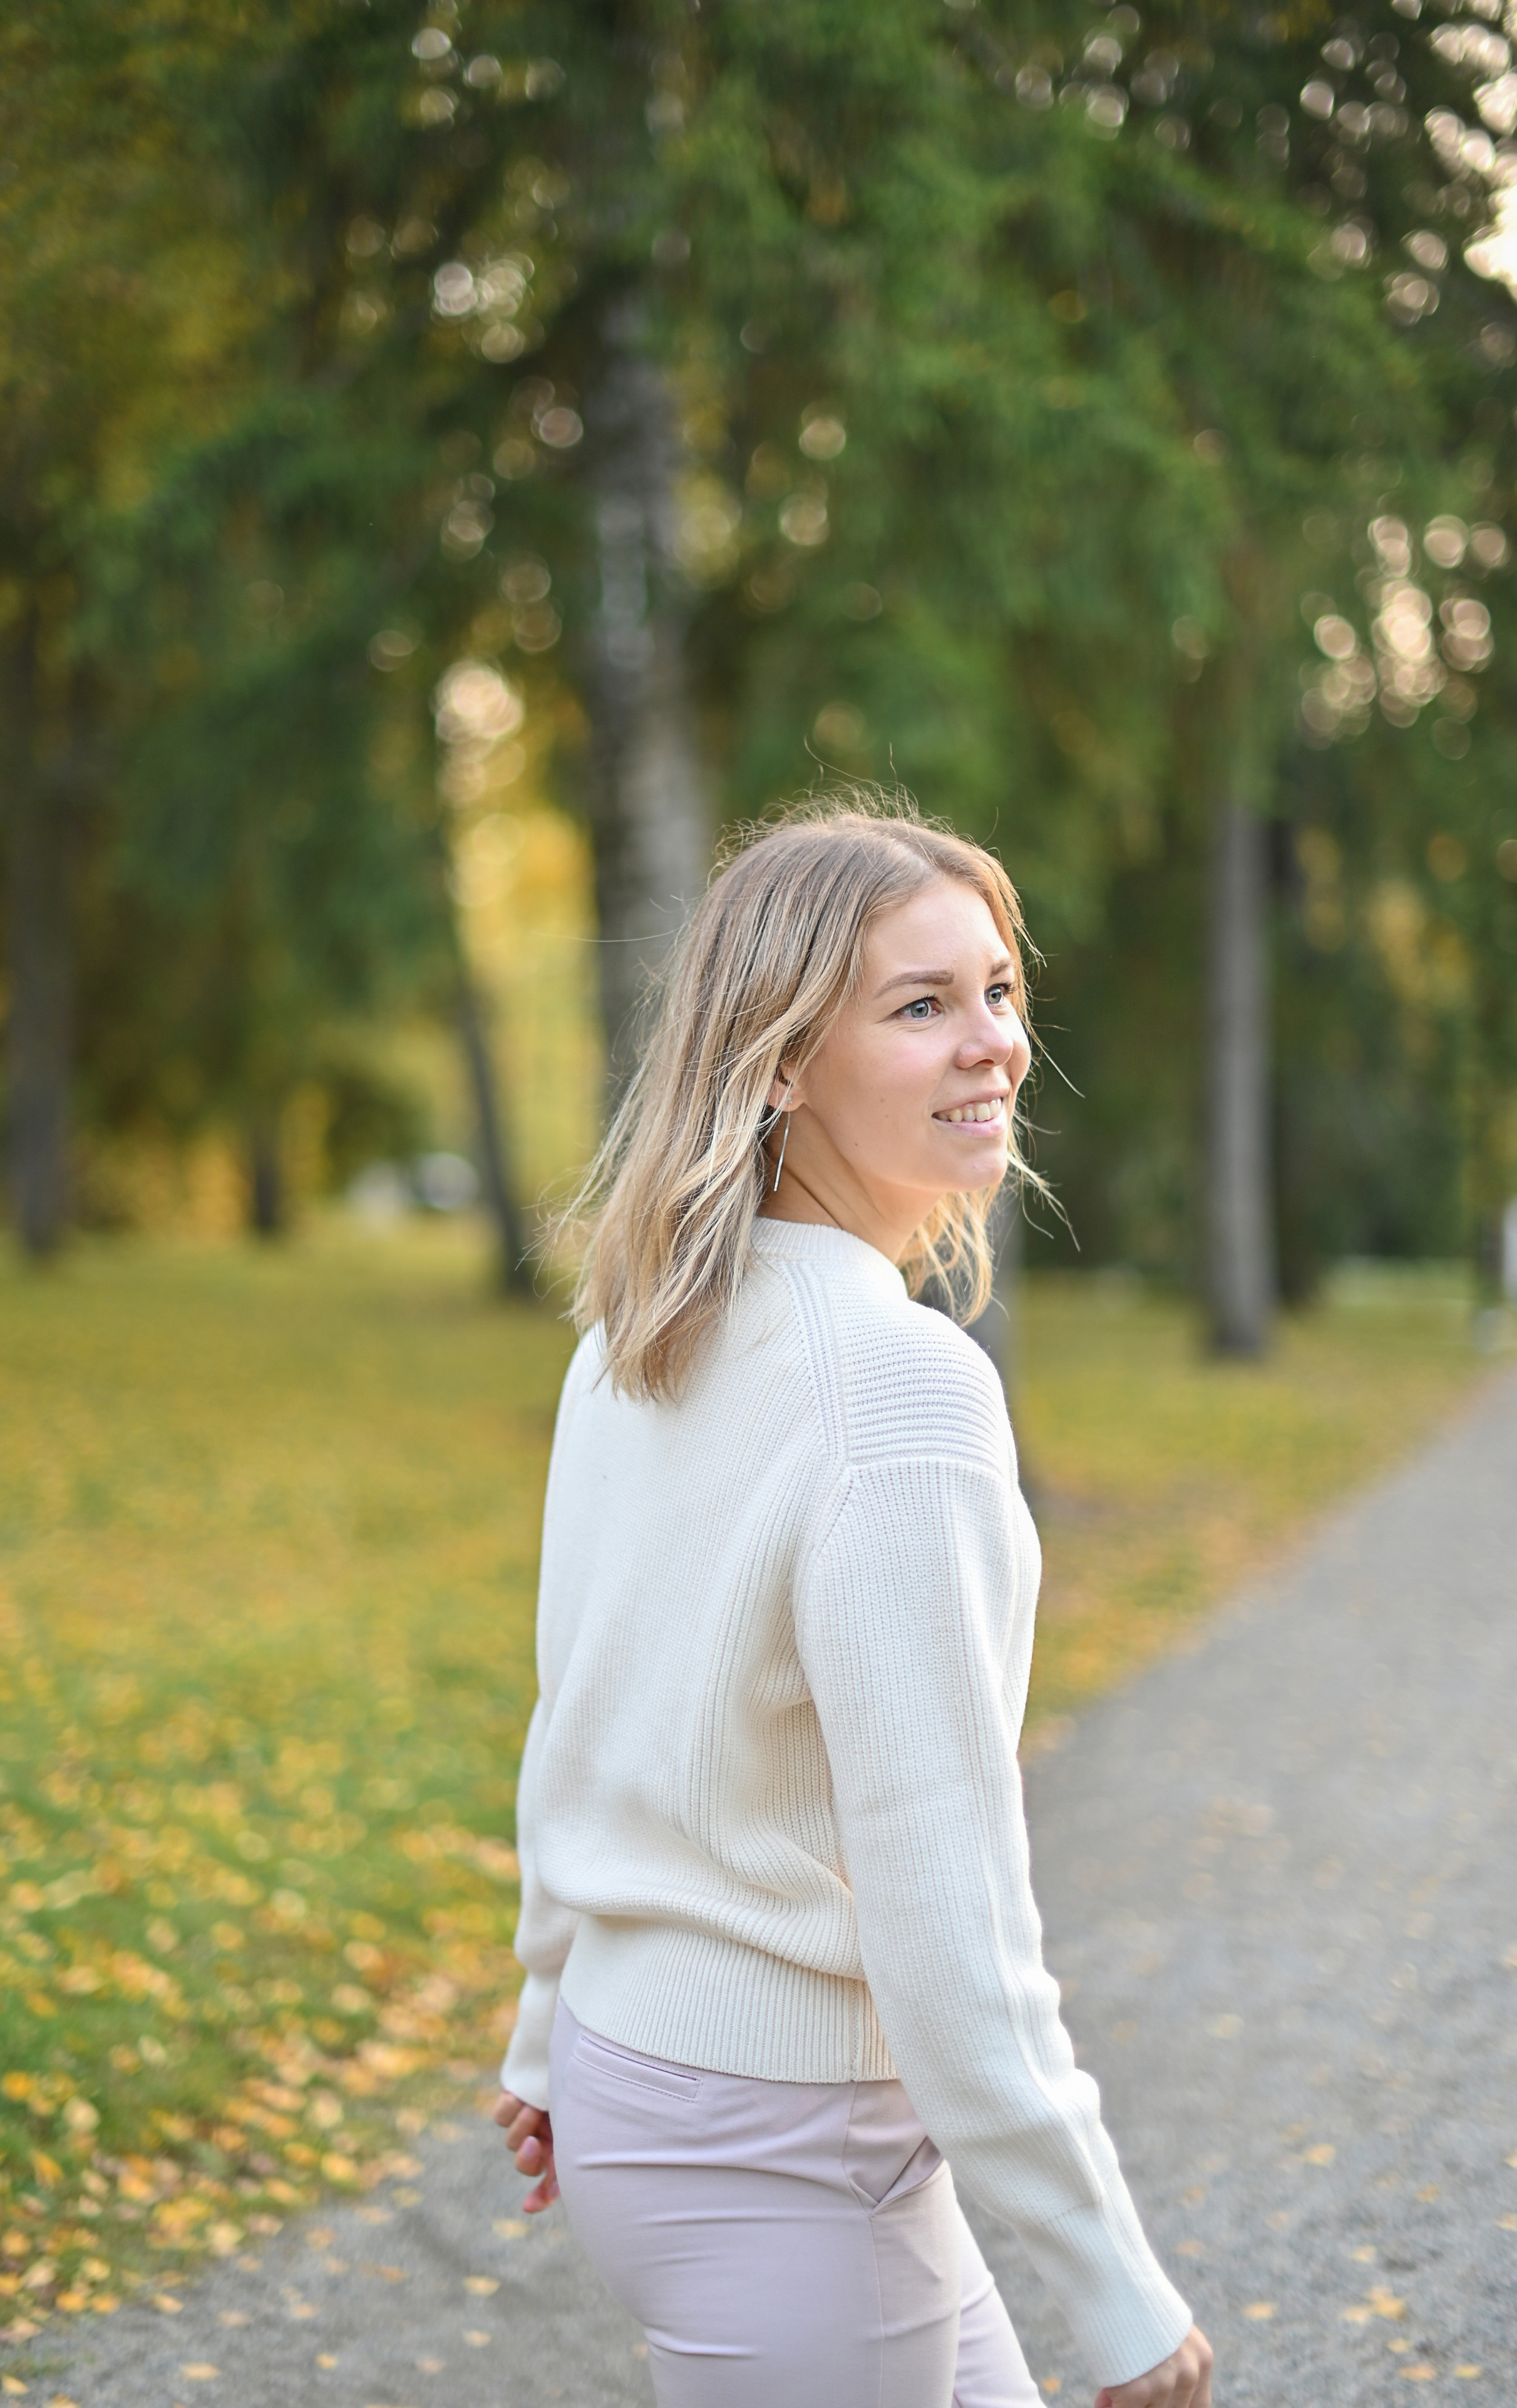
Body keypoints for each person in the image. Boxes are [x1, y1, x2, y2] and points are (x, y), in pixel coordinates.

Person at [492, 796, 1213, 2408]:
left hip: (651, 2103)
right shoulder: (893, 1390)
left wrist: (551, 2028)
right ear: (778, 1063)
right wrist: (1113, 2292)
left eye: (999, 991)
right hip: (785, 2161)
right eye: (919, 1004)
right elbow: (946, 1912)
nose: (993, 1047)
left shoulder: (633, 1337)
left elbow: (574, 1728)